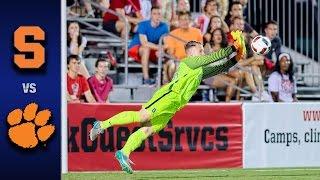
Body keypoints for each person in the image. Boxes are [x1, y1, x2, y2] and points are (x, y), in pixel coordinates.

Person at [89, 30, 246, 174]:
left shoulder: (199, 69)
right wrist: (232, 48)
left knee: (147, 130)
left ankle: (123, 153)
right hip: (168, 96)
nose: (203, 52)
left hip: (174, 106)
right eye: (200, 50)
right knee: (142, 116)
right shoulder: (188, 62)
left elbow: (221, 66)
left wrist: (237, 55)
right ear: (191, 52)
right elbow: (211, 58)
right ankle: (101, 125)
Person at [128, 6, 169, 85]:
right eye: (154, 14)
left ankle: (163, 79)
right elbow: (144, 43)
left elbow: (166, 43)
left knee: (166, 52)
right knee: (146, 48)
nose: (157, 16)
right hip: (136, 48)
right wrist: (159, 47)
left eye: (159, 14)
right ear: (151, 15)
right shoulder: (143, 24)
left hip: (152, 48)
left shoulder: (164, 26)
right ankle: (146, 78)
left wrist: (162, 49)